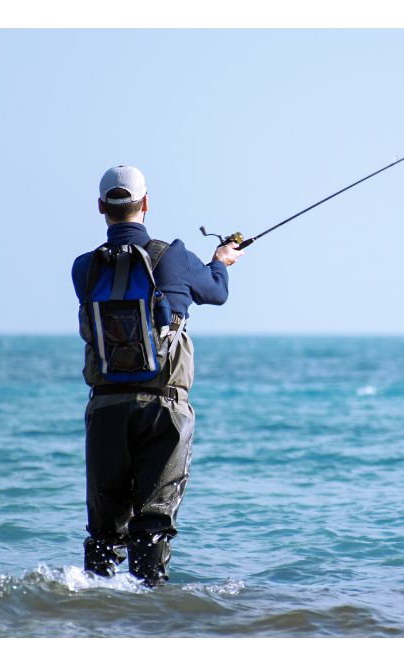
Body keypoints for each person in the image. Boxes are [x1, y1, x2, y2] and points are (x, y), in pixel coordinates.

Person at [71, 165, 243, 586]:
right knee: (152, 526)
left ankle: (98, 616)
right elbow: (216, 293)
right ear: (146, 204)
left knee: (104, 532)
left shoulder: (83, 269)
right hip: (163, 409)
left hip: (106, 408)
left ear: (100, 208)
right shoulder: (176, 257)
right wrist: (221, 261)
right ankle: (149, 620)